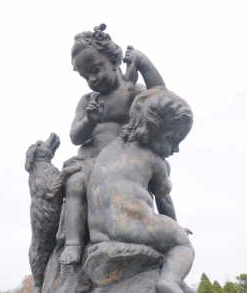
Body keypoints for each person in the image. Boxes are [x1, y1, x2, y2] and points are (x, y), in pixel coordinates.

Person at [86, 87, 201, 293]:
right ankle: (170, 281)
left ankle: (179, 283)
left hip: (99, 230)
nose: (175, 149)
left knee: (169, 238)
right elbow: (165, 200)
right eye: (171, 140)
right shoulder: (155, 161)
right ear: (152, 131)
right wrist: (176, 229)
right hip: (132, 223)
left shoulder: (110, 149)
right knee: (182, 245)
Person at [58, 23, 166, 265]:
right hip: (90, 162)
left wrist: (145, 62)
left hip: (121, 163)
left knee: (160, 182)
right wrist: (89, 119)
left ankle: (170, 228)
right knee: (75, 183)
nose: (92, 79)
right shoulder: (87, 101)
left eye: (96, 69)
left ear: (115, 62)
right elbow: (75, 136)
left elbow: (161, 97)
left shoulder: (132, 93)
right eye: (86, 76)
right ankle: (73, 244)